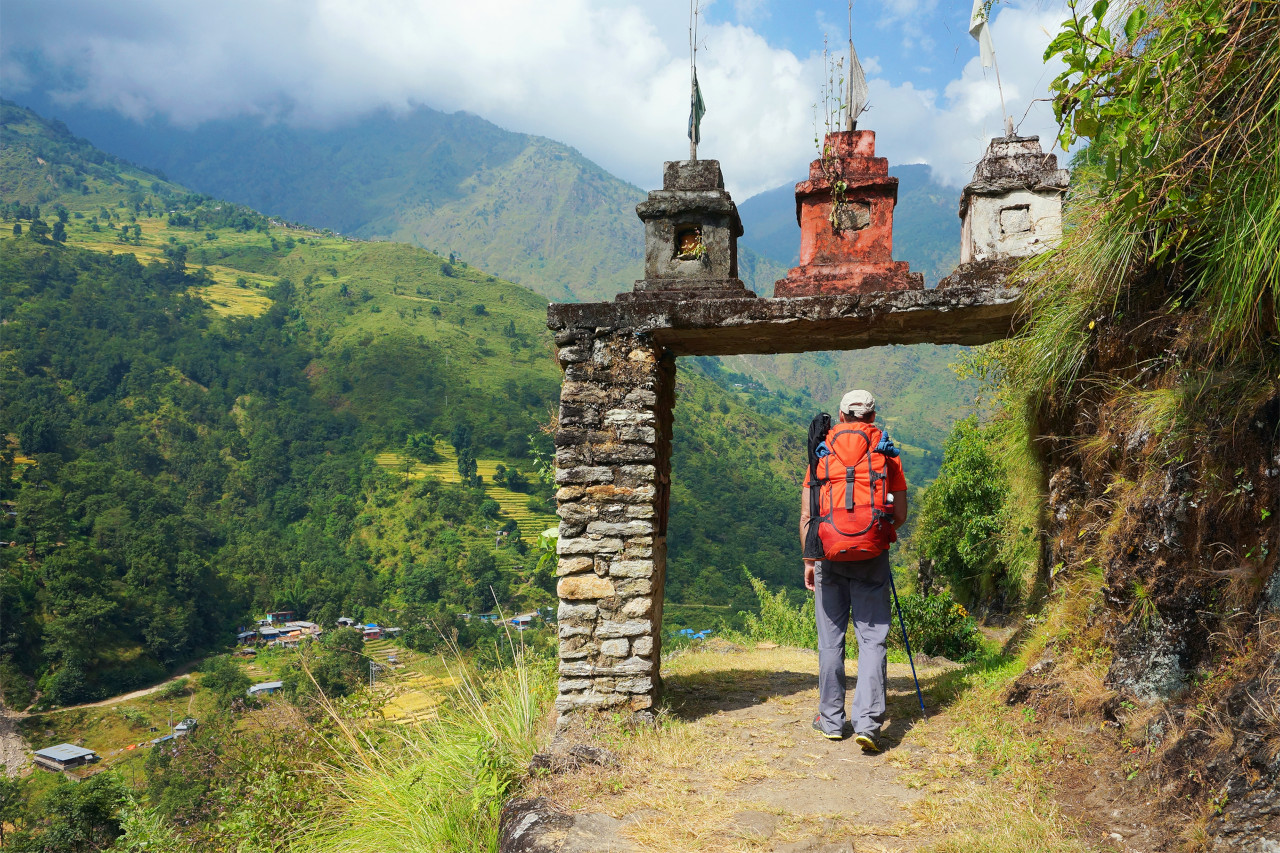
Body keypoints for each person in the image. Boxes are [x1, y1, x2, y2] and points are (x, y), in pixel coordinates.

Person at [800, 389, 908, 751]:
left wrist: (809, 560)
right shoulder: (886, 453)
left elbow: (809, 513)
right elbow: (902, 514)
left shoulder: (822, 451)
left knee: (831, 640)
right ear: (872, 418)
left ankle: (831, 720)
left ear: (842, 415)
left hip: (829, 554)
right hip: (872, 555)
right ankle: (868, 724)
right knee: (872, 640)